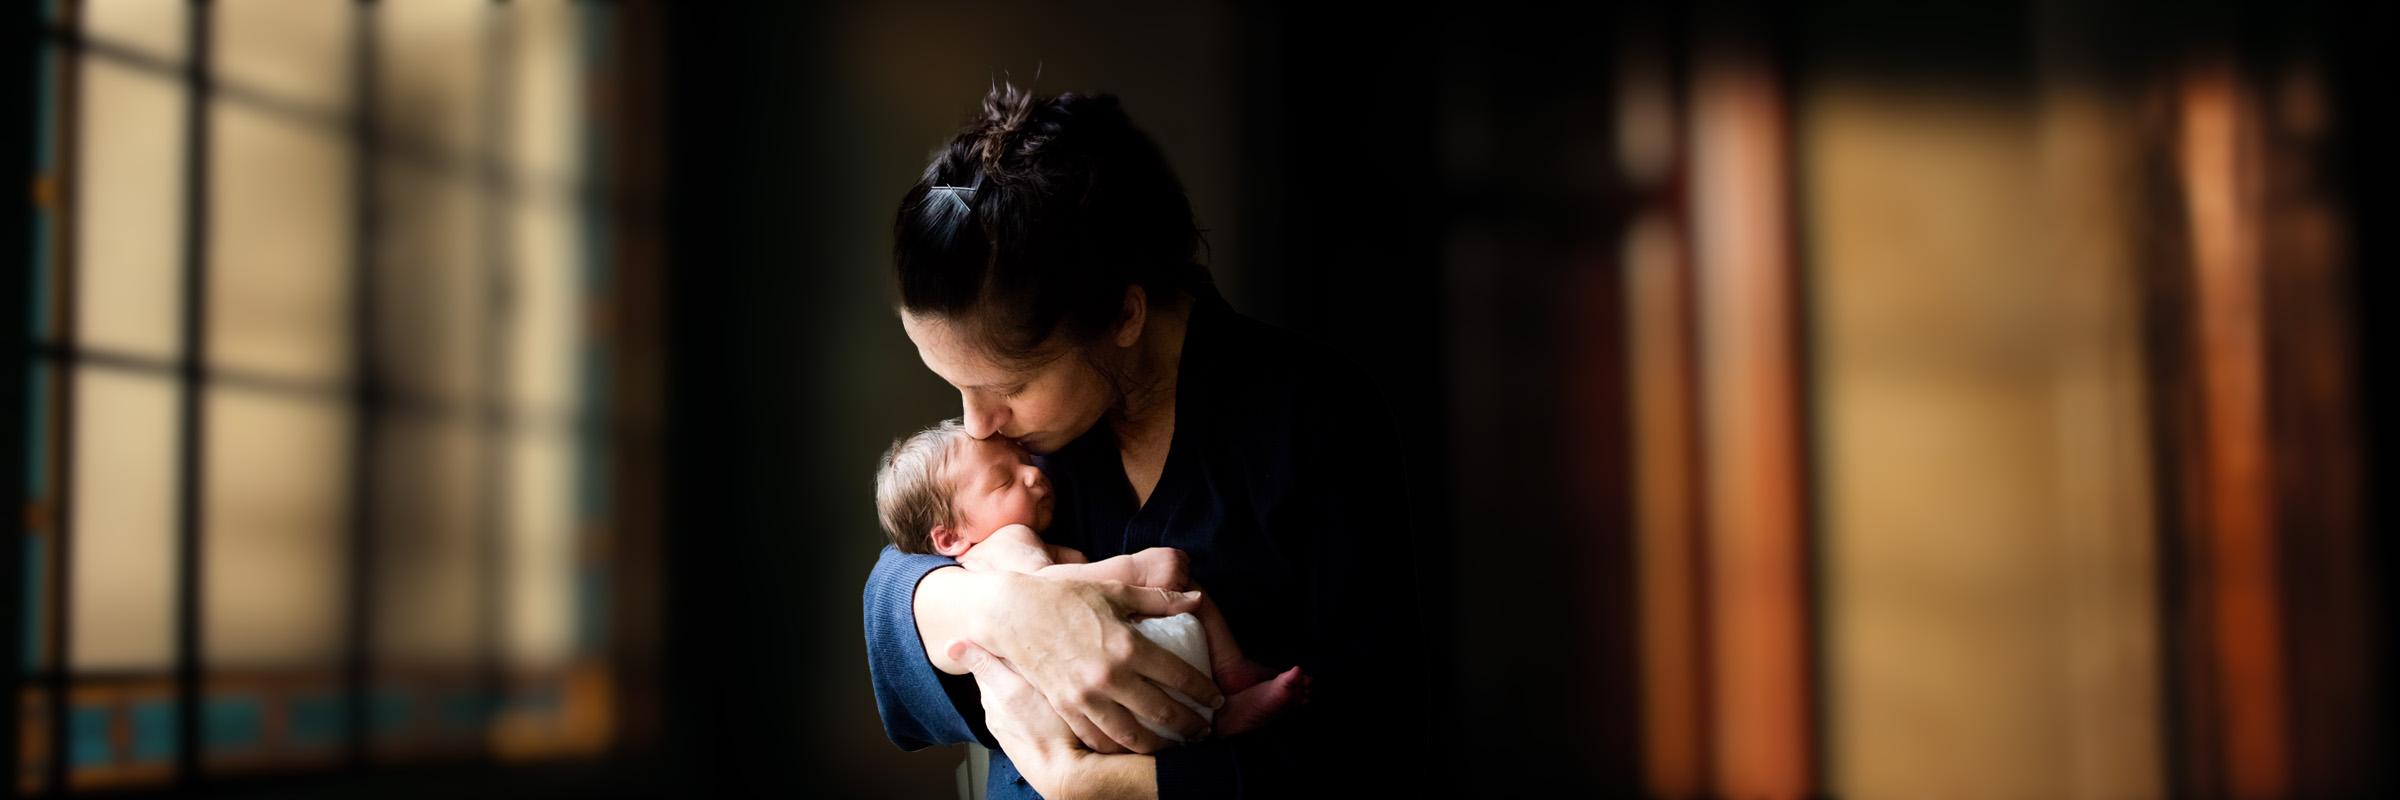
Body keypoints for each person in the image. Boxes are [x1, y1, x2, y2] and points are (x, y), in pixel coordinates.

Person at [862, 80, 1429, 799]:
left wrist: (1099, 783)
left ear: (1123, 316)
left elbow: (1374, 745)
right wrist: (998, 609)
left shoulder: (1312, 417)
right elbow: (892, 589)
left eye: (1007, 388)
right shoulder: (1031, 445)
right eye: (957, 389)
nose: (977, 426)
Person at [871, 418, 1312, 740]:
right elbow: (1049, 598)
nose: (1033, 473)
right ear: (950, 537)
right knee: (1187, 594)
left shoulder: (1007, 540)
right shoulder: (1006, 543)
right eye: (1005, 480)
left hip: (1097, 701)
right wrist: (1135, 569)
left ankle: (1223, 714)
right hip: (1091, 690)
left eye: (1023, 460)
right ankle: (1231, 675)